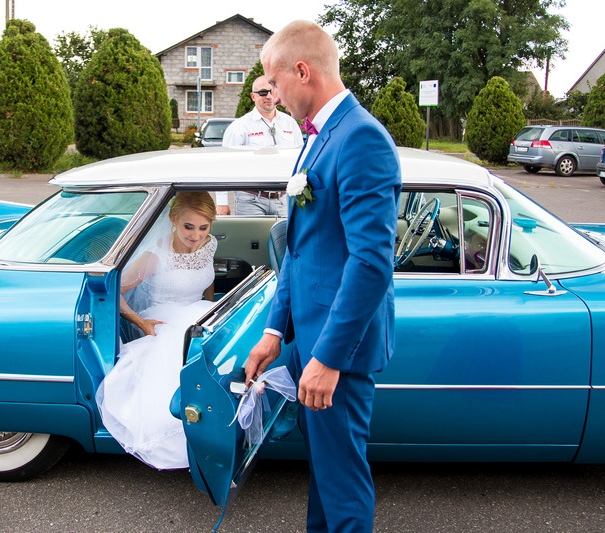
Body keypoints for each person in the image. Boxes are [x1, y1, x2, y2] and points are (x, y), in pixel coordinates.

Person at [244, 20, 402, 533]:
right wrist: (274, 331)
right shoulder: (316, 137)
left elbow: (371, 261)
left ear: (303, 71)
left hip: (338, 353)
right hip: (307, 341)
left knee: (342, 482)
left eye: (274, 83)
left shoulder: (361, 139)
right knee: (324, 476)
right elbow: (300, 247)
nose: (272, 94)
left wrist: (329, 359)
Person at [96, 191, 218, 470]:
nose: (196, 235)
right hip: (162, 318)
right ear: (173, 220)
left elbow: (206, 280)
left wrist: (211, 308)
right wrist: (141, 323)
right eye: (188, 226)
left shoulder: (209, 244)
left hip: (198, 312)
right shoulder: (155, 256)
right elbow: (114, 291)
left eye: (203, 227)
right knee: (181, 347)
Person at [218, 75, 303, 216]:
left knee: (283, 232)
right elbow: (224, 164)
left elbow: (300, 160)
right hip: (250, 199)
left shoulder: (290, 123)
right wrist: (222, 202)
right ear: (253, 96)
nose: (269, 96)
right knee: (254, 232)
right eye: (263, 92)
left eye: (272, 91)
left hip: (283, 199)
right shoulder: (240, 126)